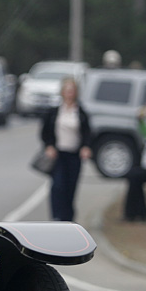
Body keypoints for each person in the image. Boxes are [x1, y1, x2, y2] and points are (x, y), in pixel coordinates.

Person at [39, 77, 92, 222]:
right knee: (58, 186)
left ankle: (68, 218)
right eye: (67, 90)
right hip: (58, 154)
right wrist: (49, 146)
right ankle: (56, 216)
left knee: (71, 187)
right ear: (62, 92)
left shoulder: (81, 112)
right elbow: (45, 132)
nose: (69, 93)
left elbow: (87, 133)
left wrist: (86, 147)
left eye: (72, 91)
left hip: (74, 155)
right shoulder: (54, 112)